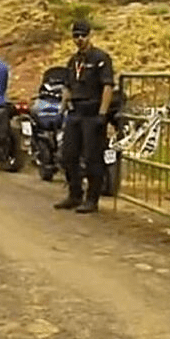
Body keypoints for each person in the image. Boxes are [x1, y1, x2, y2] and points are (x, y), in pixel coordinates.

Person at [54, 19, 115, 214]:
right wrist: (61, 110)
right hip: (75, 112)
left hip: (92, 112)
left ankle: (92, 200)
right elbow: (68, 87)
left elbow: (107, 86)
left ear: (90, 35)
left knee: (92, 158)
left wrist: (102, 115)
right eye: (76, 36)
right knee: (68, 156)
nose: (79, 39)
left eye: (83, 35)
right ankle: (74, 194)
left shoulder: (101, 58)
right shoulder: (74, 61)